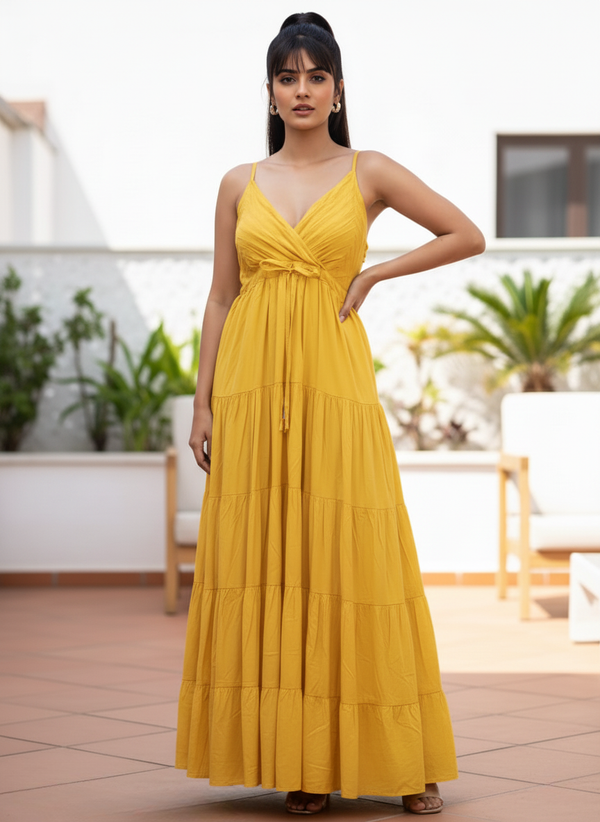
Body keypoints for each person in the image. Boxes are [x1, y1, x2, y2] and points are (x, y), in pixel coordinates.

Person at [176, 11, 485, 817]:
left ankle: (408, 760)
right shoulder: (239, 182)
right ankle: (303, 761)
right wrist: (203, 401)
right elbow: (221, 296)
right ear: (271, 92)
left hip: (334, 381)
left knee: (357, 558)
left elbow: (465, 233)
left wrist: (376, 274)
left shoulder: (368, 170)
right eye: (288, 77)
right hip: (250, 386)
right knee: (273, 564)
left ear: (339, 90)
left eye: (317, 76)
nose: (303, 89)